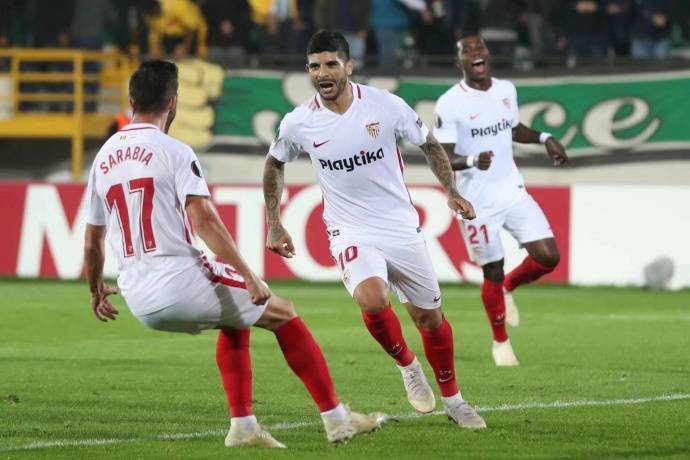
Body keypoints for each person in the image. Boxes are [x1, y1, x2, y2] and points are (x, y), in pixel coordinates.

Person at [83, 59, 385, 449]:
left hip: (136, 296)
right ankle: (337, 419)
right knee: (284, 313)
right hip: (178, 281)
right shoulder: (173, 150)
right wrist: (248, 275)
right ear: (173, 103)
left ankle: (243, 426)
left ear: (131, 100)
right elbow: (205, 221)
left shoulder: (103, 157)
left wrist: (96, 290)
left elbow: (92, 241)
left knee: (235, 320)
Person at [263, 30, 486, 429]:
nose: (322, 73)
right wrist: (275, 223)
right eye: (314, 66)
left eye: (331, 64)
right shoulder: (299, 122)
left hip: (399, 226)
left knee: (430, 319)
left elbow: (429, 143)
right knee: (372, 299)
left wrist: (451, 191)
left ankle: (455, 400)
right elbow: (275, 162)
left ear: (349, 66)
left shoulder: (385, 105)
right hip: (349, 229)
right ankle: (408, 366)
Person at [433, 35, 568, 367]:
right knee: (492, 270)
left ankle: (509, 287)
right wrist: (471, 160)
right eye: (467, 51)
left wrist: (544, 137)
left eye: (480, 48)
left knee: (548, 256)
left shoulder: (506, 89)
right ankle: (500, 342)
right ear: (460, 62)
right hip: (476, 203)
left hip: (511, 191)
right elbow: (443, 157)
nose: (475, 54)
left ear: (488, 55)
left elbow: (512, 128)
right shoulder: (450, 103)